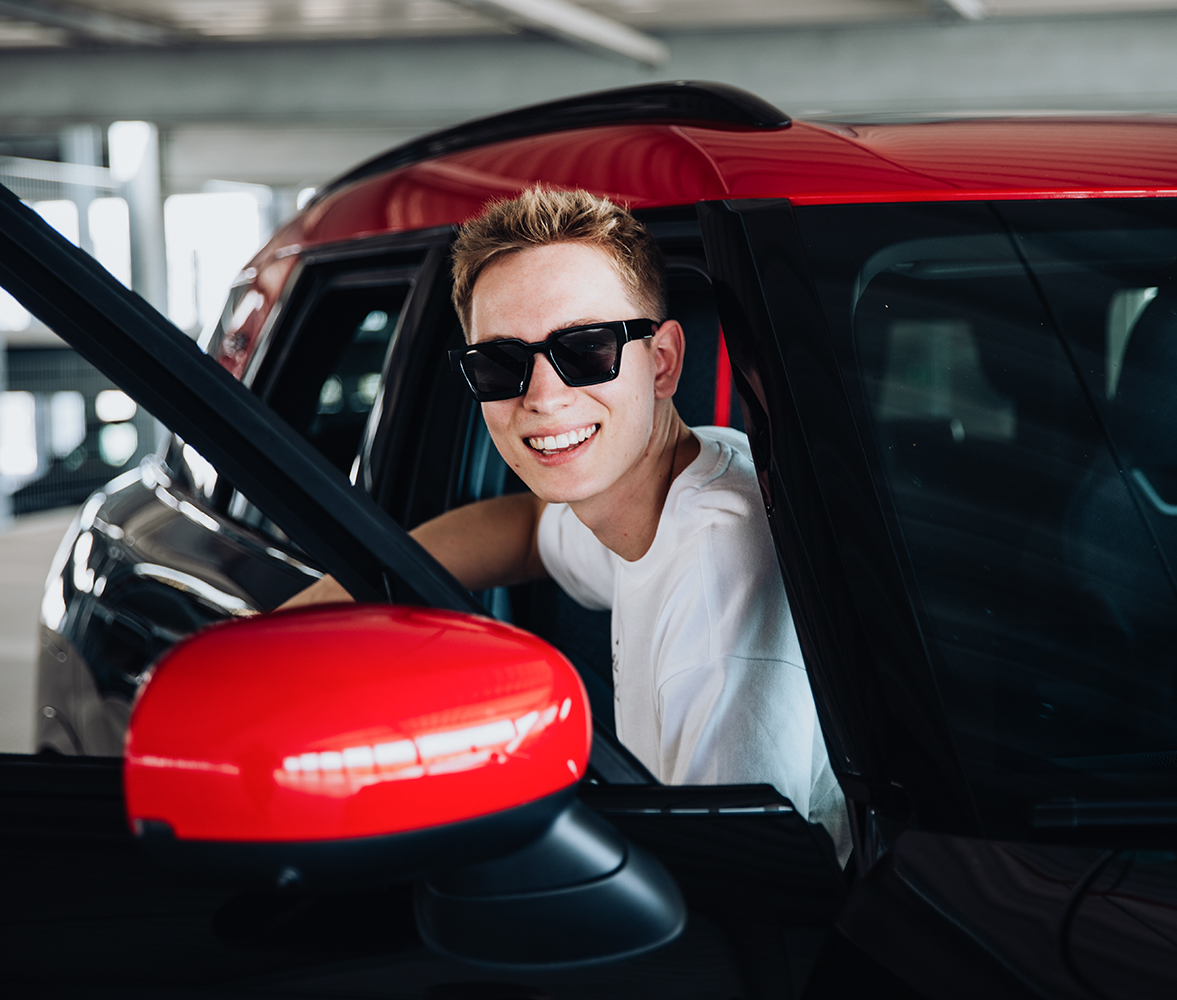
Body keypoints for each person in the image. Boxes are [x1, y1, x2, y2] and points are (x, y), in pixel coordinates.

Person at [281, 187, 848, 861]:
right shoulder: (677, 478)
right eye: (500, 363)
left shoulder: (720, 577)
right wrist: (291, 624)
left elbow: (736, 886)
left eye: (586, 349)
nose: (544, 398)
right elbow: (527, 529)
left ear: (662, 363)